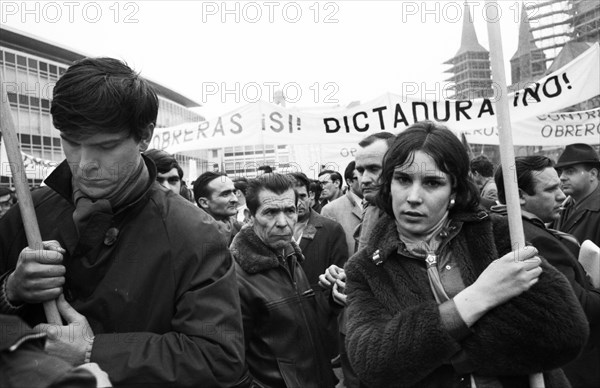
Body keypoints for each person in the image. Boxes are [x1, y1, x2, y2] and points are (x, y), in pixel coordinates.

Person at [0, 57, 247, 387]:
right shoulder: (29, 212)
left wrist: (93, 351)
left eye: (105, 146)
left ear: (144, 136)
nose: (85, 164)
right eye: (71, 141)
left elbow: (219, 359)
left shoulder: (195, 234)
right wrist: (11, 290)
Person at [344, 121, 588, 387]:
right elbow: (373, 362)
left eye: (432, 182)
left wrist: (437, 354)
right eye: (403, 179)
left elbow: (565, 332)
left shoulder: (498, 236)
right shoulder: (366, 266)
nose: (413, 196)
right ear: (388, 184)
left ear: (454, 190)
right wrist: (479, 297)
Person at [494, 155, 600, 388]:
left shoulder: (517, 229)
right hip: (572, 368)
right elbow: (580, 307)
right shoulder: (529, 239)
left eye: (560, 187)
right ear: (519, 196)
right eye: (551, 189)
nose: (562, 196)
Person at [230, 173, 336, 388]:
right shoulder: (234, 277)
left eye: (289, 211)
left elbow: (301, 328)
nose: (282, 222)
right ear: (250, 216)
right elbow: (231, 364)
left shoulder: (289, 256)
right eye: (270, 212)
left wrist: (331, 297)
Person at [287, 172, 347, 361]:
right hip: (286, 321)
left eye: (302, 196)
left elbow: (340, 275)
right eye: (292, 198)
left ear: (311, 196)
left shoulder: (330, 229)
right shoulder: (275, 230)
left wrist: (326, 308)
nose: (298, 203)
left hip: (320, 319)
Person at [553, 143, 600, 247]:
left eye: (570, 171)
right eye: (561, 172)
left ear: (592, 174)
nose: (562, 177)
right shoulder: (563, 205)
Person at [322, 161, 363, 259]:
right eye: (359, 178)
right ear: (349, 182)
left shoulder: (379, 205)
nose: (365, 181)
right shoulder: (330, 210)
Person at [193, 171, 242, 245]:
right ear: (204, 202)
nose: (235, 199)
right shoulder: (191, 236)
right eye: (225, 194)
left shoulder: (242, 229)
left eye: (234, 192)